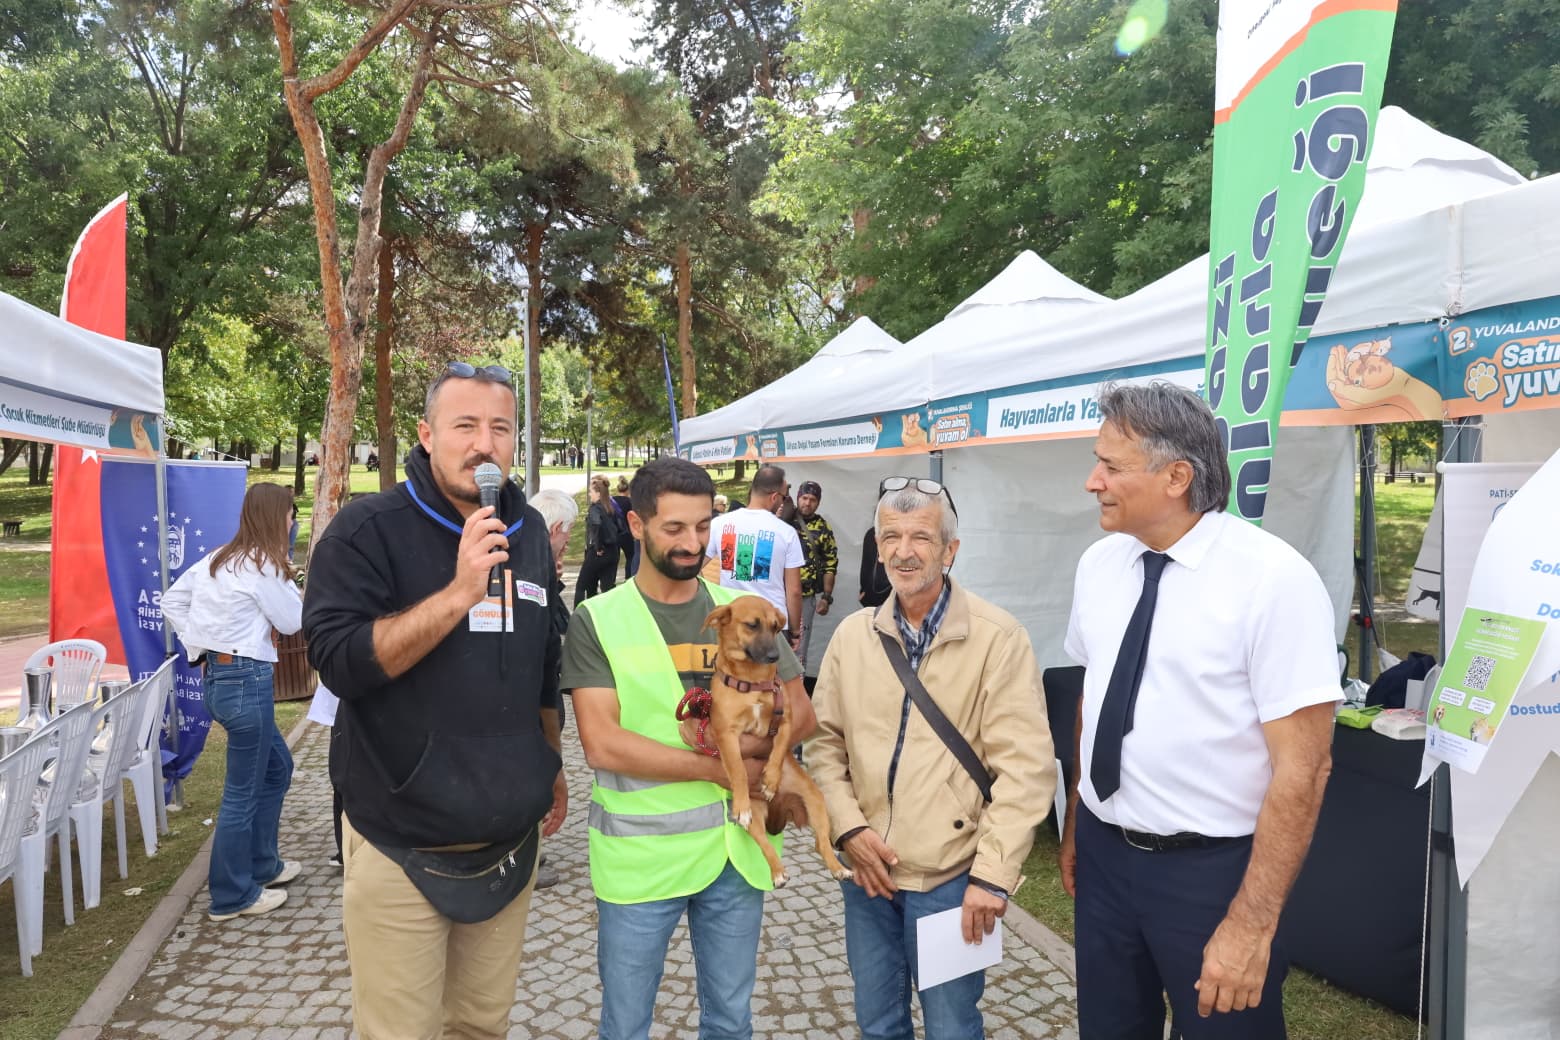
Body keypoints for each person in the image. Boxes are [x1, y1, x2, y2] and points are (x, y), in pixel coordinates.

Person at [1060, 382, 1340, 1039]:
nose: (1091, 482)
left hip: (1213, 879)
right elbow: (1094, 700)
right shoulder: (1099, 564)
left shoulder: (1274, 581)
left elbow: (1304, 772)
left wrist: (1251, 922)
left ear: (1176, 476)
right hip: (1105, 859)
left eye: (1111, 466)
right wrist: (1078, 819)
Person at [302, 361, 567, 1040]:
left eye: (501, 428)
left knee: (482, 1025)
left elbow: (542, 659)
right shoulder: (366, 530)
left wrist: (550, 762)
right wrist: (458, 594)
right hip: (400, 838)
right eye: (465, 425)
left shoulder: (530, 532)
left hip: (508, 836)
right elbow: (338, 665)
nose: (484, 444)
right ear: (426, 434)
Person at [564, 457, 818, 1040]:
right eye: (674, 528)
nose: (692, 542)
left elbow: (801, 712)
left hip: (736, 854)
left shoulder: (739, 607)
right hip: (642, 862)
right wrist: (727, 770)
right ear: (636, 524)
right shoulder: (599, 619)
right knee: (626, 1025)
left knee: (731, 1021)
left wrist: (755, 749)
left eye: (703, 526)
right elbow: (603, 745)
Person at [809, 478, 1055, 1039]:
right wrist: (847, 828)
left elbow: (1026, 770)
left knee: (951, 1027)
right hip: (868, 875)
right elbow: (823, 744)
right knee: (877, 1022)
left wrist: (991, 878)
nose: (903, 550)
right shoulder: (852, 636)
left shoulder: (998, 639)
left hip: (952, 878)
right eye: (889, 536)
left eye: (921, 536)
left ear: (951, 550)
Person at [162, 482, 304, 922]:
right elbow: (293, 621)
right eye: (289, 514)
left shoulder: (218, 559)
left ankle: (264, 865)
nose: (293, 521)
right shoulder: (264, 566)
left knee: (278, 768)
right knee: (241, 793)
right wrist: (292, 581)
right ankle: (232, 895)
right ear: (274, 517)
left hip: (222, 680)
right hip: (245, 682)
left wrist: (199, 646)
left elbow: (171, 601)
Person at [530, 486, 581, 892]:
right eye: (567, 536)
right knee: (537, 766)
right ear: (558, 527)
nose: (566, 544)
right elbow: (550, 630)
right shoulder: (530, 565)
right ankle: (528, 853)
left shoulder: (536, 564)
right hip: (533, 694)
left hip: (540, 689)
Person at [703, 465, 805, 650]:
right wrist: (795, 631)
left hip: (732, 619)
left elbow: (695, 568)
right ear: (774, 497)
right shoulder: (786, 533)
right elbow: (794, 590)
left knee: (731, 676)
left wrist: (711, 600)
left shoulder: (719, 524)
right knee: (770, 678)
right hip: (770, 624)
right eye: (783, 497)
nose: (783, 502)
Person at [792, 479, 839, 674]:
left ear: (818, 502)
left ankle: (796, 691)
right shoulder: (783, 520)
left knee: (799, 646)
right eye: (804, 498)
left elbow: (830, 562)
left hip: (805, 598)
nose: (807, 503)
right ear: (797, 498)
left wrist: (826, 597)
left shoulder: (823, 527)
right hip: (778, 594)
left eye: (812, 499)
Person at [576, 474, 619, 606]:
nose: (589, 494)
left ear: (598, 493)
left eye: (591, 492)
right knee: (607, 588)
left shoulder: (595, 508)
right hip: (612, 552)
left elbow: (596, 524)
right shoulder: (611, 508)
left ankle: (579, 614)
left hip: (597, 552)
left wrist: (597, 546)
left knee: (582, 585)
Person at [613, 476, 638, 581]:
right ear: (628, 490)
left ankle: (610, 581)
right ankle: (628, 578)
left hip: (614, 534)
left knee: (614, 559)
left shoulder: (611, 501)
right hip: (626, 533)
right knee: (631, 556)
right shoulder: (630, 502)